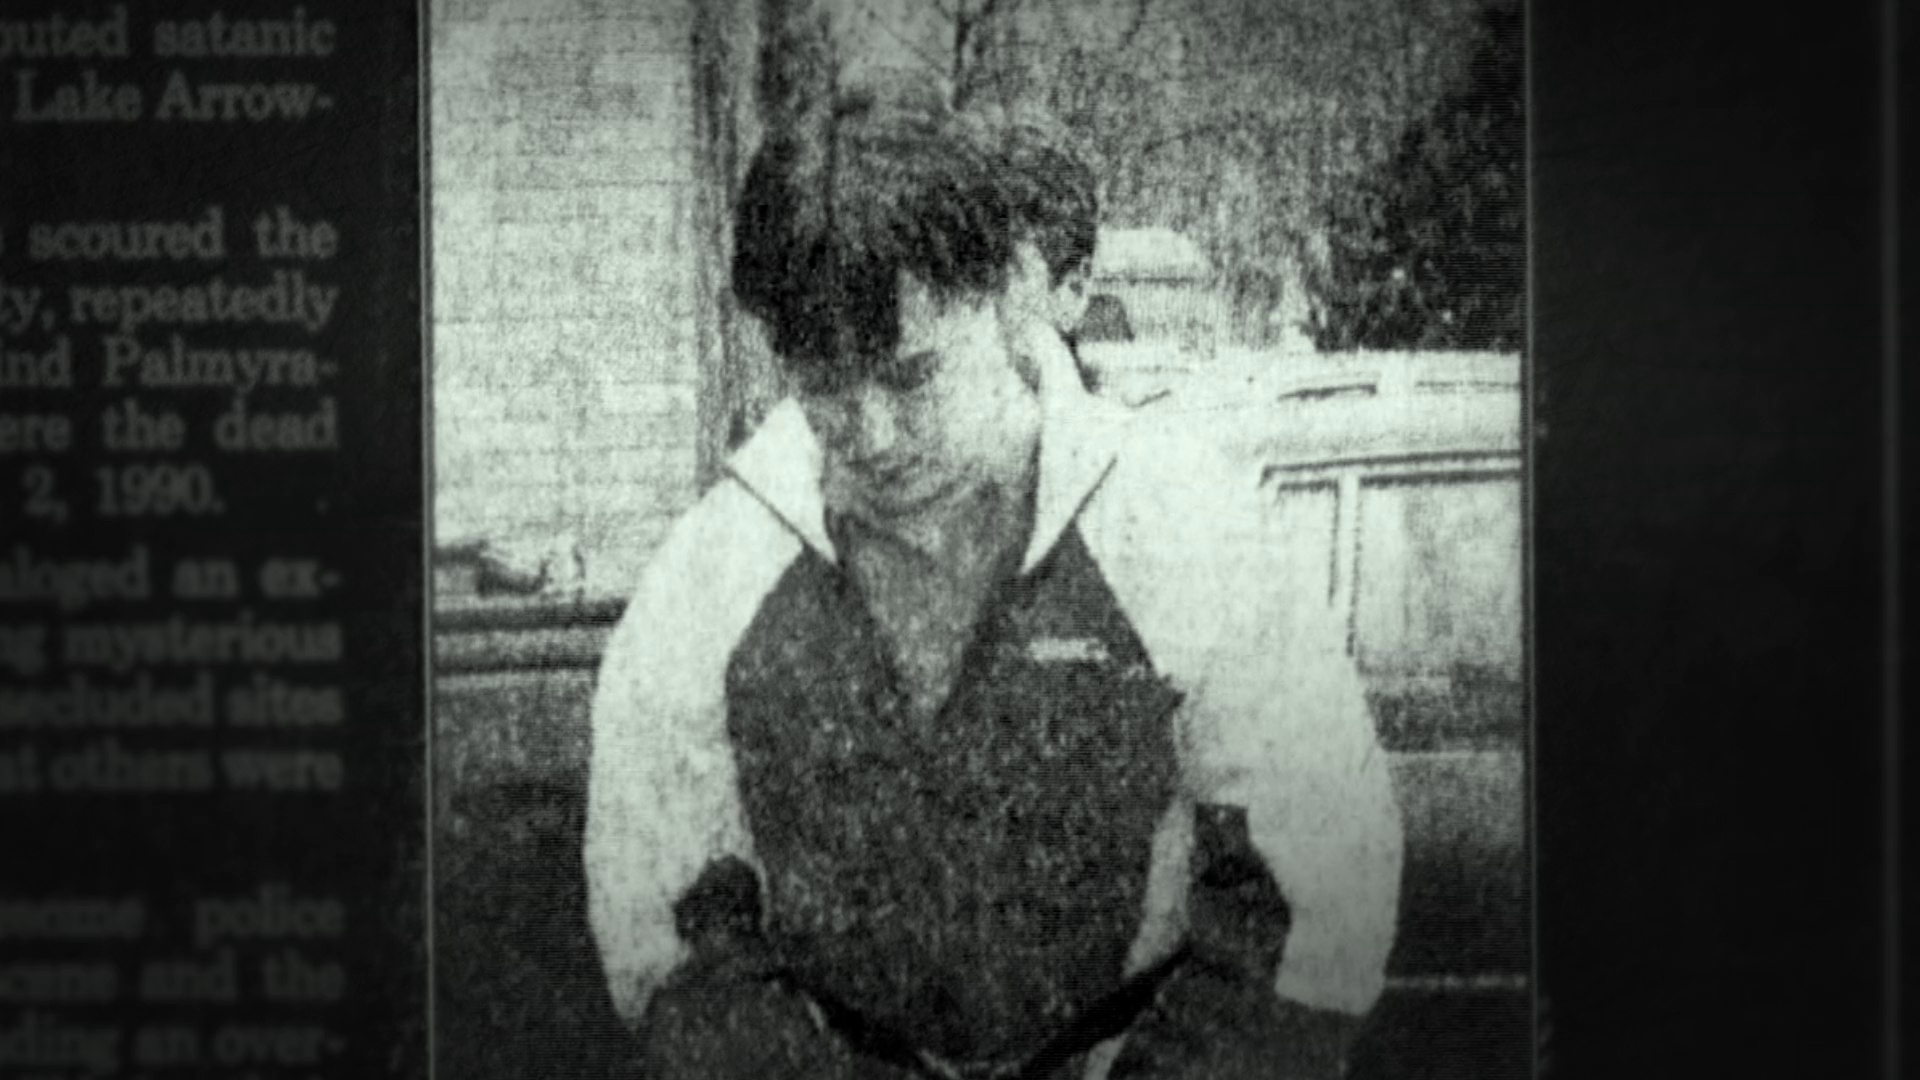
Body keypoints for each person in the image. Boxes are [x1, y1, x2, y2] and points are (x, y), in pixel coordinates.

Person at [584, 79, 1403, 1080]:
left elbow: (1324, 890)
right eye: (825, 386)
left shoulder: (1186, 526)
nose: (872, 435)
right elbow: (662, 925)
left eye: (912, 376)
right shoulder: (713, 575)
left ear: (1008, 290)